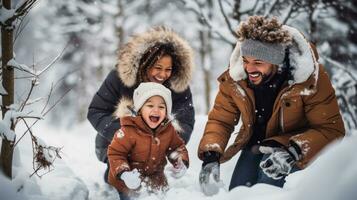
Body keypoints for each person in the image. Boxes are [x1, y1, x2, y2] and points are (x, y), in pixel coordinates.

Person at [197, 15, 345, 194]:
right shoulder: (236, 79)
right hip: (255, 144)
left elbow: (331, 129)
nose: (249, 69)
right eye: (246, 61)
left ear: (277, 62)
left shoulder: (309, 79)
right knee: (238, 192)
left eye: (258, 63)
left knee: (267, 189)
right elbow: (222, 119)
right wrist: (211, 155)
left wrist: (294, 151)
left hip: (290, 147)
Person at [87, 26, 195, 182]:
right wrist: (125, 135)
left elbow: (185, 121)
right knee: (125, 179)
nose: (163, 74)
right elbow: (96, 111)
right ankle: (114, 173)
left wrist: (173, 152)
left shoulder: (176, 85)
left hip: (155, 149)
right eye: (157, 68)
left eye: (168, 69)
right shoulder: (119, 78)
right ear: (145, 63)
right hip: (115, 143)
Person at [107, 82, 189, 200]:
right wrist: (124, 174)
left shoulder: (168, 130)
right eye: (150, 106)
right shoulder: (128, 130)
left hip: (155, 179)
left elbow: (177, 147)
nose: (156, 110)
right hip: (128, 181)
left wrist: (181, 161)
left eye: (161, 107)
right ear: (140, 110)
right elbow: (116, 153)